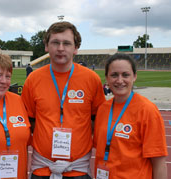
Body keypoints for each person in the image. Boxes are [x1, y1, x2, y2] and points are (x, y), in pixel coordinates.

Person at [22, 21, 106, 179]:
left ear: (75, 48)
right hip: (42, 169)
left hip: (78, 170)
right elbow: (31, 121)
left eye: (67, 43)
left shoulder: (91, 79)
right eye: (55, 42)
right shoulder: (33, 79)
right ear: (46, 47)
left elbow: (96, 120)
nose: (61, 48)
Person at [93, 53, 168, 179]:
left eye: (125, 75)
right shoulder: (102, 109)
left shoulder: (147, 110)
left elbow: (159, 162)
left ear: (134, 77)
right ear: (107, 78)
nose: (120, 80)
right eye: (114, 75)